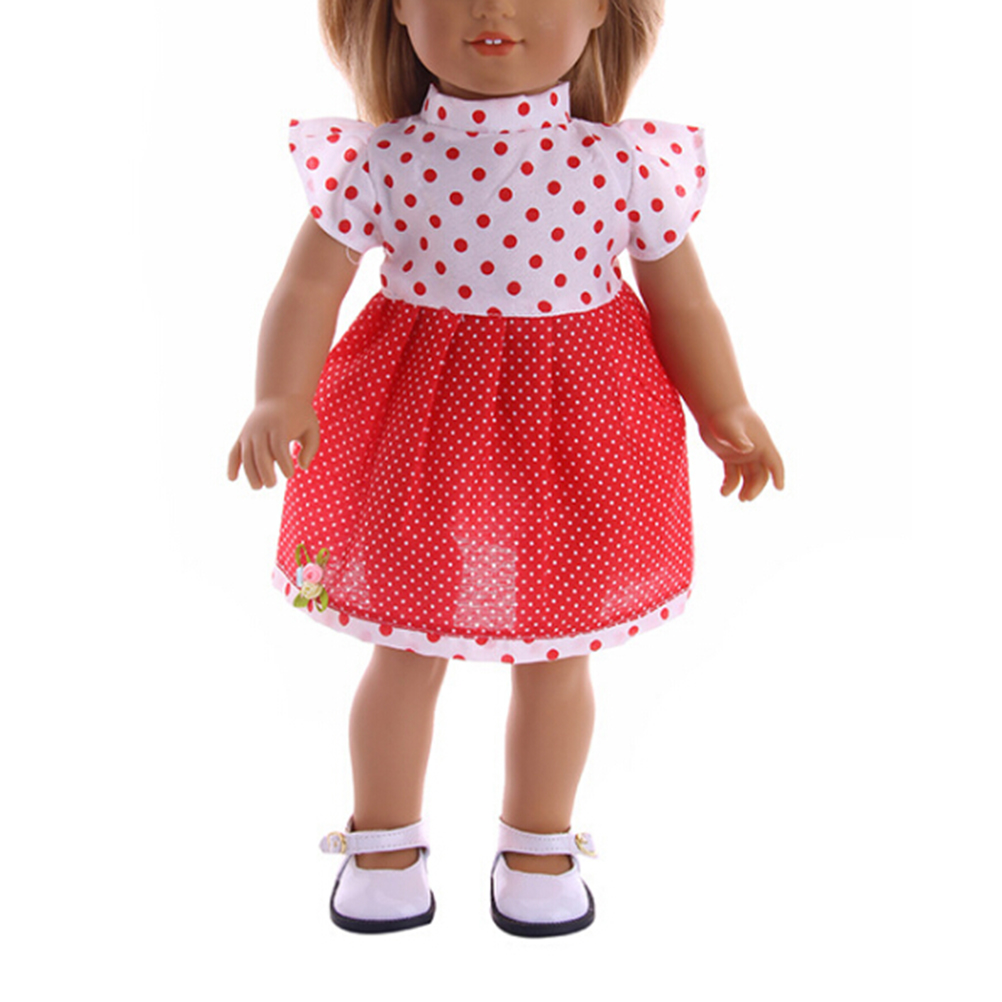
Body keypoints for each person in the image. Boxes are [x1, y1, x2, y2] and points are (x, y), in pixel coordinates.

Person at [228, 0, 784, 937]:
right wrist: (279, 395)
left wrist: (725, 406)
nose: (494, 8)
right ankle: (384, 840)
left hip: (583, 436)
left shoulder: (620, 164)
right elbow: (309, 285)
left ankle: (538, 842)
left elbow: (686, 304)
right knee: (406, 645)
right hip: (419, 432)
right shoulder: (385, 160)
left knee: (558, 656)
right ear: (399, 8)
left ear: (599, 8)